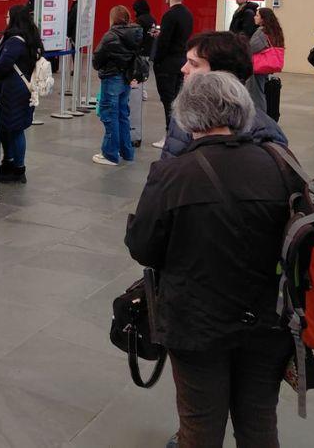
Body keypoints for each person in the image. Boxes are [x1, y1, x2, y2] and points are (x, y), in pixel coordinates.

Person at [127, 71, 295, 448]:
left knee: (200, 426)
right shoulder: (280, 164)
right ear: (242, 111)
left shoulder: (172, 173)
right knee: (259, 423)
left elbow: (143, 247)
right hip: (270, 319)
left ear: (186, 117)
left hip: (196, 322)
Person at [161, 31, 288, 159]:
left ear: (222, 75)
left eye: (194, 64)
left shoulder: (262, 132)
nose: (184, 68)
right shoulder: (183, 113)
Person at [0, 4, 43, 184]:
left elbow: (2, 67)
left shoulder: (14, 41)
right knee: (12, 128)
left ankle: (17, 168)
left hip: (11, 92)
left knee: (14, 130)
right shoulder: (31, 38)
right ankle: (11, 163)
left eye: (8, 15)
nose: (5, 18)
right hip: (23, 89)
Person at [91, 5, 143, 166]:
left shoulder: (111, 35)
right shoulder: (135, 33)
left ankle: (110, 154)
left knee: (109, 115)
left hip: (111, 78)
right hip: (126, 78)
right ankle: (126, 151)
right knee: (122, 115)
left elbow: (97, 58)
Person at [151, 0, 194, 148]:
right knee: (177, 99)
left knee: (168, 100)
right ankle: (178, 134)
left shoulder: (169, 15)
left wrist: (157, 60)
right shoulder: (187, 14)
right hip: (181, 60)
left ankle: (170, 135)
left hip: (167, 64)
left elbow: (165, 43)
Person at [248, 7, 284, 115]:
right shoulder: (274, 30)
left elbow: (252, 47)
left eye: (257, 15)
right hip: (266, 66)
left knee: (256, 93)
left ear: (263, 19)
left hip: (258, 66)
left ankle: (259, 116)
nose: (255, 17)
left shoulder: (261, 32)